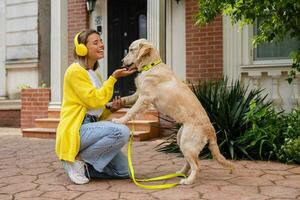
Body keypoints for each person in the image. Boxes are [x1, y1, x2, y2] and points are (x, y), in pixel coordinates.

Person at [55, 29, 136, 184]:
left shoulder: (94, 73)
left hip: (92, 127)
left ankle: (86, 166)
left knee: (124, 171)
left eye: (101, 41)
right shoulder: (74, 71)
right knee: (121, 131)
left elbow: (97, 111)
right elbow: (94, 101)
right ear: (82, 48)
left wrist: (111, 108)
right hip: (77, 129)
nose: (101, 45)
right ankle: (75, 160)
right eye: (95, 42)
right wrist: (113, 78)